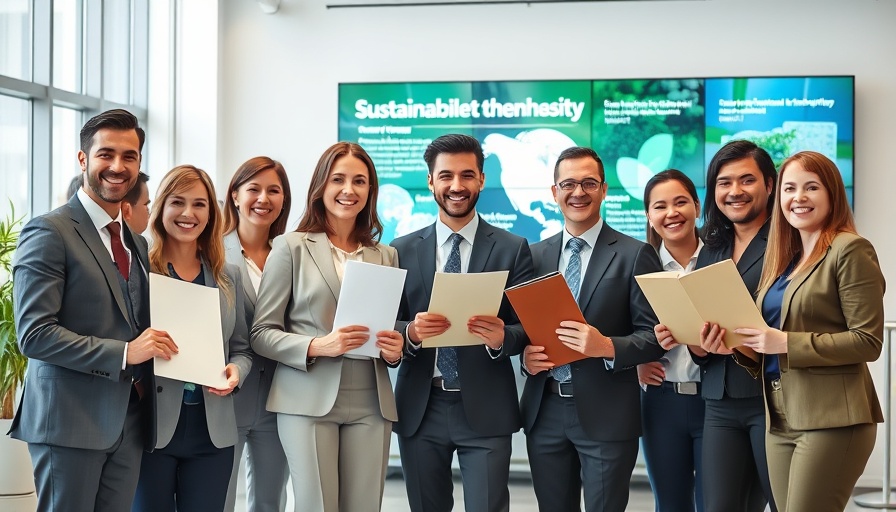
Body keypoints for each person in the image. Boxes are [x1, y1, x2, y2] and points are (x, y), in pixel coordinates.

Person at [11, 109, 177, 512]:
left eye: (130, 156)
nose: (118, 167)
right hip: (69, 422)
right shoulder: (49, 231)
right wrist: (124, 353)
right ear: (83, 159)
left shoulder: (135, 242)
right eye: (106, 154)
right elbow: (34, 334)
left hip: (128, 421)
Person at [251, 142, 404, 512]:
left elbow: (386, 327)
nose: (349, 190)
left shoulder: (386, 255)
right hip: (306, 398)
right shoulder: (290, 247)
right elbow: (261, 333)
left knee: (365, 506)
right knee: (317, 506)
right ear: (321, 186)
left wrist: (395, 349)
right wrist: (319, 346)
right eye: (338, 179)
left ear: (371, 191)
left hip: (371, 399)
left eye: (360, 181)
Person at [727, 151, 884, 511]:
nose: (797, 198)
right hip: (779, 415)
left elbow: (867, 340)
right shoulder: (786, 257)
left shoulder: (849, 249)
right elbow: (771, 340)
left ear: (831, 194)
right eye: (789, 188)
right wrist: (740, 346)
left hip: (833, 418)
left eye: (810, 187)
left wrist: (783, 342)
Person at [390, 133, 534, 512]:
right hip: (421, 408)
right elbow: (388, 324)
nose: (457, 186)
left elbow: (527, 327)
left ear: (482, 180)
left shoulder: (512, 247)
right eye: (446, 176)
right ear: (430, 181)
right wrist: (411, 333)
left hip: (487, 408)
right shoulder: (400, 249)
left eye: (467, 175)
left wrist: (503, 337)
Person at [520, 146, 664, 512]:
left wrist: (606, 346)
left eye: (588, 183)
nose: (578, 192)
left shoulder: (635, 253)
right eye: (568, 183)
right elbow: (519, 329)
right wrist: (525, 358)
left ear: (604, 189)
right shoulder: (533, 256)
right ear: (554, 192)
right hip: (545, 410)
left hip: (607, 415)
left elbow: (655, 338)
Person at [654, 139, 778, 512]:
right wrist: (695, 343)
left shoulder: (787, 243)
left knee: (780, 501)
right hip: (719, 399)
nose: (734, 191)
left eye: (747, 180)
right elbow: (708, 334)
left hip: (771, 398)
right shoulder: (712, 248)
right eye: (724, 182)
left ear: (769, 185)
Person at [132, 165, 253, 512]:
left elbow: (242, 348)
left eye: (199, 204)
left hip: (212, 430)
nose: (188, 213)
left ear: (212, 214)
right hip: (152, 428)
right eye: (177, 202)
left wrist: (236, 372)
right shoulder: (140, 272)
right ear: (160, 209)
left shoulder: (228, 276)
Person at [222, 156, 292, 512]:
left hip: (280, 399)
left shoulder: (292, 253)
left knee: (270, 502)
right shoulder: (213, 250)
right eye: (254, 189)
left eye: (274, 191)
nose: (263, 198)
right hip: (224, 396)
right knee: (219, 498)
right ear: (235, 195)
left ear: (283, 200)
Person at [635, 170, 705, 512]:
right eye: (659, 206)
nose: (671, 213)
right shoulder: (637, 264)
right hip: (661, 403)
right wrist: (636, 361)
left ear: (697, 205)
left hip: (716, 402)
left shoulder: (724, 259)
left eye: (681, 202)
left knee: (718, 502)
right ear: (649, 215)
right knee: (671, 504)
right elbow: (622, 327)